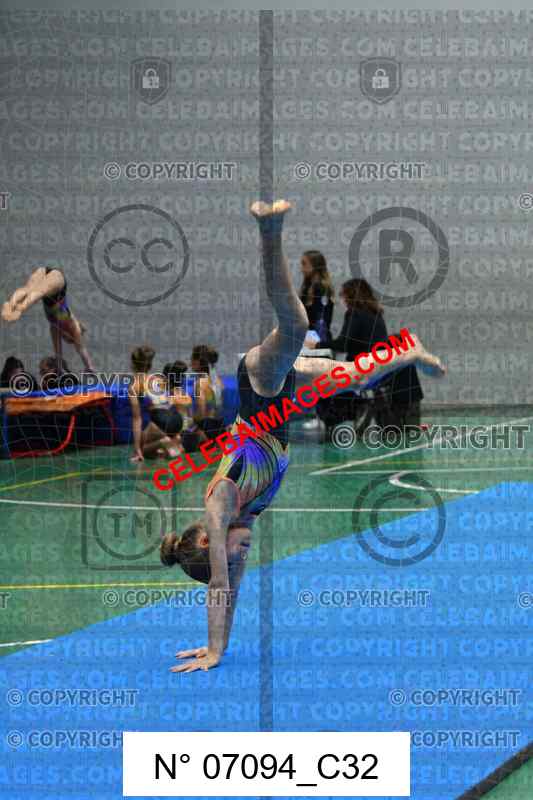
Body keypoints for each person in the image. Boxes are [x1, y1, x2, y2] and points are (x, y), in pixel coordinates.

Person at [159, 200, 446, 674]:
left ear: (209, 542)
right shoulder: (243, 522)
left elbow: (219, 587)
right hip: (282, 397)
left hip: (259, 387)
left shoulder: (221, 505)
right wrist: (218, 649)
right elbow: (233, 588)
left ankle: (270, 229)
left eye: (231, 556)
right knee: (357, 377)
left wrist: (211, 648)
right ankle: (407, 351)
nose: (243, 555)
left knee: (295, 324)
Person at [2, 267, 95, 372]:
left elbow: (58, 352)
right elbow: (81, 348)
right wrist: (89, 367)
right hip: (58, 284)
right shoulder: (73, 326)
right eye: (67, 338)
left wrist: (59, 369)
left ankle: (11, 304)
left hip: (46, 277)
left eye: (64, 338)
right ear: (70, 335)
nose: (63, 337)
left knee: (28, 289)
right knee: (38, 292)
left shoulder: (55, 327)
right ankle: (20, 308)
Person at [129, 346, 183, 463]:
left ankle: (164, 442)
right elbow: (171, 401)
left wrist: (137, 448)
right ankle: (174, 440)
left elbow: (136, 419)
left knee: (143, 449)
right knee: (154, 441)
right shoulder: (158, 379)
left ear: (133, 365)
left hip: (162, 420)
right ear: (150, 365)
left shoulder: (134, 386)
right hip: (176, 419)